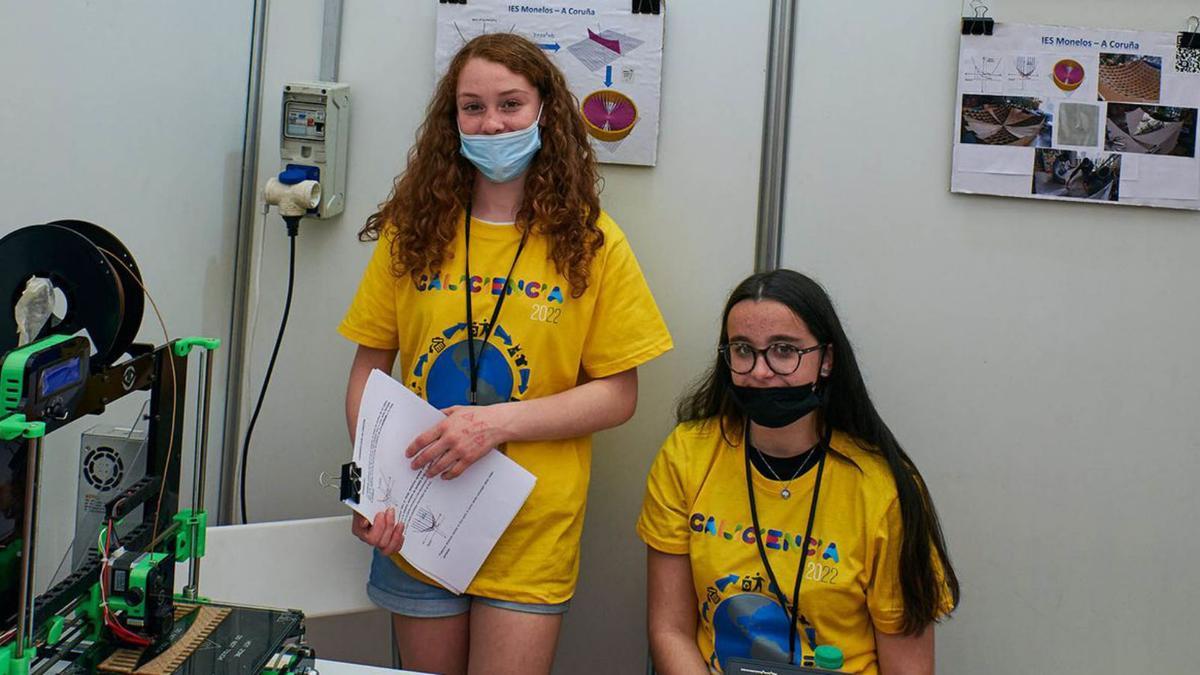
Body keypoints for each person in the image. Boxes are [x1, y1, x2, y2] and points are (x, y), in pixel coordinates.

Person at [338, 33, 672, 675]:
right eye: (473, 107)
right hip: (414, 512)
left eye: (510, 104)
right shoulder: (413, 232)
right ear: (452, 120)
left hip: (529, 528)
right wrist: (366, 491)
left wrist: (495, 425)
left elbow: (619, 394)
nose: (491, 123)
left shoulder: (592, 241)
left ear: (545, 110)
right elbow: (367, 369)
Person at [638, 270, 958, 674]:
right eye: (742, 349)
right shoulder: (687, 454)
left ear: (826, 360)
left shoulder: (884, 489)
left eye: (784, 350)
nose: (760, 370)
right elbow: (669, 630)